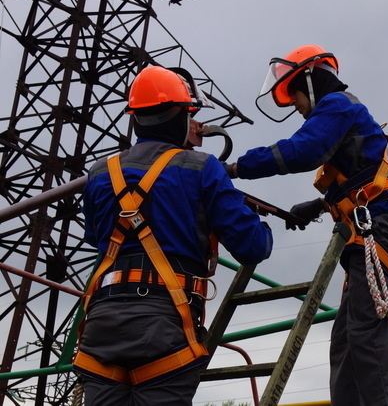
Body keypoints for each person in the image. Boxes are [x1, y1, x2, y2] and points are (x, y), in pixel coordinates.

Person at [224, 45, 388, 405]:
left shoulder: (338, 105)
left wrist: (235, 169)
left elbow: (302, 151)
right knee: (346, 345)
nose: (295, 105)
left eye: (294, 95)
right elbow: (360, 175)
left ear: (310, 80)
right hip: (373, 232)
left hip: (381, 232)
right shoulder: (347, 114)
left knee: (367, 338)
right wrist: (315, 206)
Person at [73, 65, 273, 406]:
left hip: (102, 327)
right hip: (163, 326)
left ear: (134, 118)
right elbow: (253, 247)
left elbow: (97, 238)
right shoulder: (201, 167)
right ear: (183, 115)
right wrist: (250, 217)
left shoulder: (99, 172)